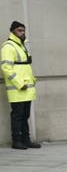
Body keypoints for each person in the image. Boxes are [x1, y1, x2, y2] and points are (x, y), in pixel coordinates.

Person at [1, 21, 41, 150]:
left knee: (25, 115)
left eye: (23, 31)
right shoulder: (8, 46)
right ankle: (16, 141)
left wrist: (32, 80)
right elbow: (6, 68)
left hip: (27, 87)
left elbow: (27, 63)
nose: (22, 33)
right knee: (17, 115)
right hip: (18, 88)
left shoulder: (23, 44)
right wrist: (19, 83)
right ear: (12, 31)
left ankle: (26, 139)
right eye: (19, 30)